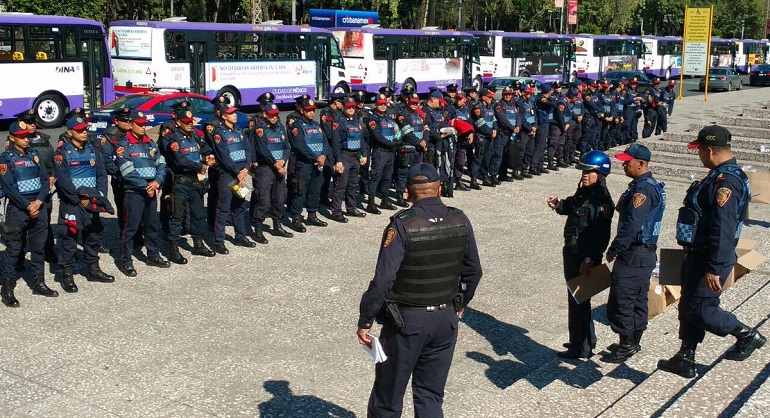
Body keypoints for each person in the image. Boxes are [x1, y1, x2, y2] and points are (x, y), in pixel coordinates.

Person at [356, 162, 483, 417]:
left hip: (407, 323)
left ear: (407, 192)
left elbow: (383, 280)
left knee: (388, 398)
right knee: (430, 397)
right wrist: (460, 304)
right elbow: (474, 271)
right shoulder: (459, 219)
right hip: (445, 319)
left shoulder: (402, 224)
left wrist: (365, 320)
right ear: (439, 190)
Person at [658, 125, 765, 378]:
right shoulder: (718, 175)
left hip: (710, 255)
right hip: (698, 253)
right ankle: (685, 356)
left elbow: (723, 227)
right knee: (688, 307)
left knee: (702, 309)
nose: (699, 156)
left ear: (708, 150)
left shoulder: (725, 181)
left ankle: (747, 335)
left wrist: (715, 267)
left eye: (699, 151)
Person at [548, 151, 614, 359]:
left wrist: (590, 259)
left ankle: (581, 347)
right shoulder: (584, 193)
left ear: (600, 174)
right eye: (583, 171)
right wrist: (558, 204)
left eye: (589, 171)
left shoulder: (601, 201)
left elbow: (601, 235)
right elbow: (571, 205)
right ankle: (582, 339)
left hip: (583, 256)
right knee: (577, 299)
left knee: (579, 300)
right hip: (572, 252)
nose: (584, 175)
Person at [604, 143, 665, 362]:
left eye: (627, 162)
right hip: (642, 255)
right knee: (638, 299)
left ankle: (627, 345)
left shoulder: (643, 190)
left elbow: (632, 225)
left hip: (634, 254)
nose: (623, 165)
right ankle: (632, 342)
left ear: (640, 164)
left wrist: (614, 249)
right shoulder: (644, 185)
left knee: (623, 299)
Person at [53, 116, 115, 293]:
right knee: (69, 238)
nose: (84, 132)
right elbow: (63, 180)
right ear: (70, 132)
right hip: (72, 202)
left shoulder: (94, 149)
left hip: (92, 201)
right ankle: (66, 274)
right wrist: (78, 199)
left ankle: (93, 269)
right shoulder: (61, 152)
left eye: (85, 129)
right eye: (79, 130)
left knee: (93, 235)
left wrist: (100, 195)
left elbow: (101, 175)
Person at [0, 121, 58, 307]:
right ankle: (7, 287)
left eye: (27, 136)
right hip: (19, 209)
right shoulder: (6, 158)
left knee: (39, 246)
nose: (26, 139)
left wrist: (39, 201)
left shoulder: (34, 155)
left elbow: (44, 180)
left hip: (38, 206)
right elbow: (8, 187)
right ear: (12, 138)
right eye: (22, 136)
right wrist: (27, 205)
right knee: (14, 249)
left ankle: (38, 282)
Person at [114, 110, 172, 277]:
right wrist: (146, 185)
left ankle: (153, 255)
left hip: (151, 191)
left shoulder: (150, 143)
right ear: (131, 125)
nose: (143, 126)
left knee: (152, 226)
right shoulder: (123, 145)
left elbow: (161, 164)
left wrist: (157, 182)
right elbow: (127, 171)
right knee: (130, 228)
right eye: (139, 124)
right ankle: (126, 262)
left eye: (144, 124)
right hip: (134, 192)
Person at [165, 107, 216, 260]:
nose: (189, 124)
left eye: (191, 122)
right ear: (178, 122)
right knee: (177, 216)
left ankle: (198, 244)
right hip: (181, 183)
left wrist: (209, 158)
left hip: (197, 183)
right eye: (186, 122)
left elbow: (207, 149)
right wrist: (200, 166)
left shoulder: (195, 136)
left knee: (198, 215)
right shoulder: (174, 140)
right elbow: (181, 161)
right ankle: (173, 249)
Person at [210, 103, 256, 252]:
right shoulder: (219, 133)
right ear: (224, 116)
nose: (235, 115)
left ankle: (240, 236)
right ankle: (218, 241)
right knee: (223, 209)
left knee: (239, 207)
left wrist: (245, 169)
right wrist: (238, 172)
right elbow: (223, 156)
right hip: (228, 175)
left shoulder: (240, 131)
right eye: (231, 113)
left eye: (235, 112)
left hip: (241, 174)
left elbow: (248, 150)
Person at [250, 103, 293, 242]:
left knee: (279, 198)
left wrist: (283, 160)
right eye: (271, 115)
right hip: (266, 169)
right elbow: (263, 150)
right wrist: (276, 164)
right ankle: (258, 229)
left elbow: (287, 147)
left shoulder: (280, 127)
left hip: (279, 167)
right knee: (263, 199)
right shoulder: (260, 129)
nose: (274, 117)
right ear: (265, 114)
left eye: (276, 115)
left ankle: (277, 226)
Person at [287, 98, 331, 233]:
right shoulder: (297, 126)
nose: (311, 113)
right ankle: (296, 218)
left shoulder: (317, 125)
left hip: (318, 164)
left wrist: (323, 155)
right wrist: (315, 157)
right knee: (300, 191)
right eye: (308, 110)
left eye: (313, 110)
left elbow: (325, 143)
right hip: (304, 164)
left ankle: (312, 215)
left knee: (315, 190)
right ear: (302, 110)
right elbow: (299, 146)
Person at [330, 96, 368, 222]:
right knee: (340, 186)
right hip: (344, 156)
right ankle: (336, 212)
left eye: (353, 107)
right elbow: (335, 143)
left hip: (355, 157)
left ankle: (351, 208)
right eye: (348, 107)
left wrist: (363, 155)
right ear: (344, 107)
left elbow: (361, 140)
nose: (351, 109)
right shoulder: (338, 122)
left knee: (352, 185)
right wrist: (338, 161)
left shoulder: (357, 121)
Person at [364, 94, 398, 214]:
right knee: (375, 177)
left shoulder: (388, 117)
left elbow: (397, 130)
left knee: (387, 177)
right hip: (380, 151)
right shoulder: (373, 119)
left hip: (390, 152)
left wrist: (397, 140)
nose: (383, 106)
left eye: (384, 104)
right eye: (380, 104)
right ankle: (371, 203)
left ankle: (385, 200)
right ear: (375, 105)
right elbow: (376, 135)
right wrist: (390, 144)